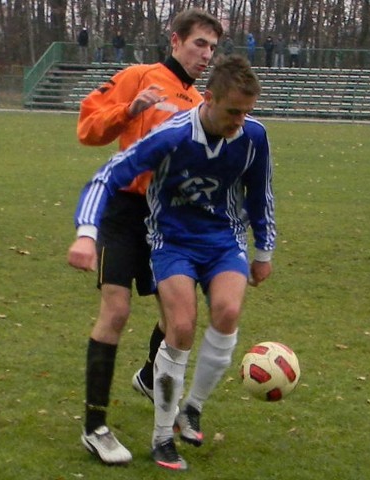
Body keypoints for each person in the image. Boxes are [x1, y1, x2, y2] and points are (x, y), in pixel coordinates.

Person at [69, 53, 275, 472]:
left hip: (222, 239)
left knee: (228, 310)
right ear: (210, 98)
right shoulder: (173, 134)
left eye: (247, 112)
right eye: (233, 111)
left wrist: (263, 251)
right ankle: (162, 436)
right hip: (172, 239)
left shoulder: (253, 136)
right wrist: (87, 233)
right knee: (179, 326)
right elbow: (108, 174)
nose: (240, 120)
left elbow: (261, 194)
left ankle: (191, 408)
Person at [72, 8, 223, 466]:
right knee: (116, 311)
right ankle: (95, 426)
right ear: (176, 40)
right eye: (199, 44)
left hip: (168, 220)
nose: (206, 54)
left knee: (180, 318)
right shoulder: (139, 76)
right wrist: (128, 110)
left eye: (213, 48)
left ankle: (147, 374)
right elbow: (87, 128)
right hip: (123, 210)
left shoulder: (199, 101)